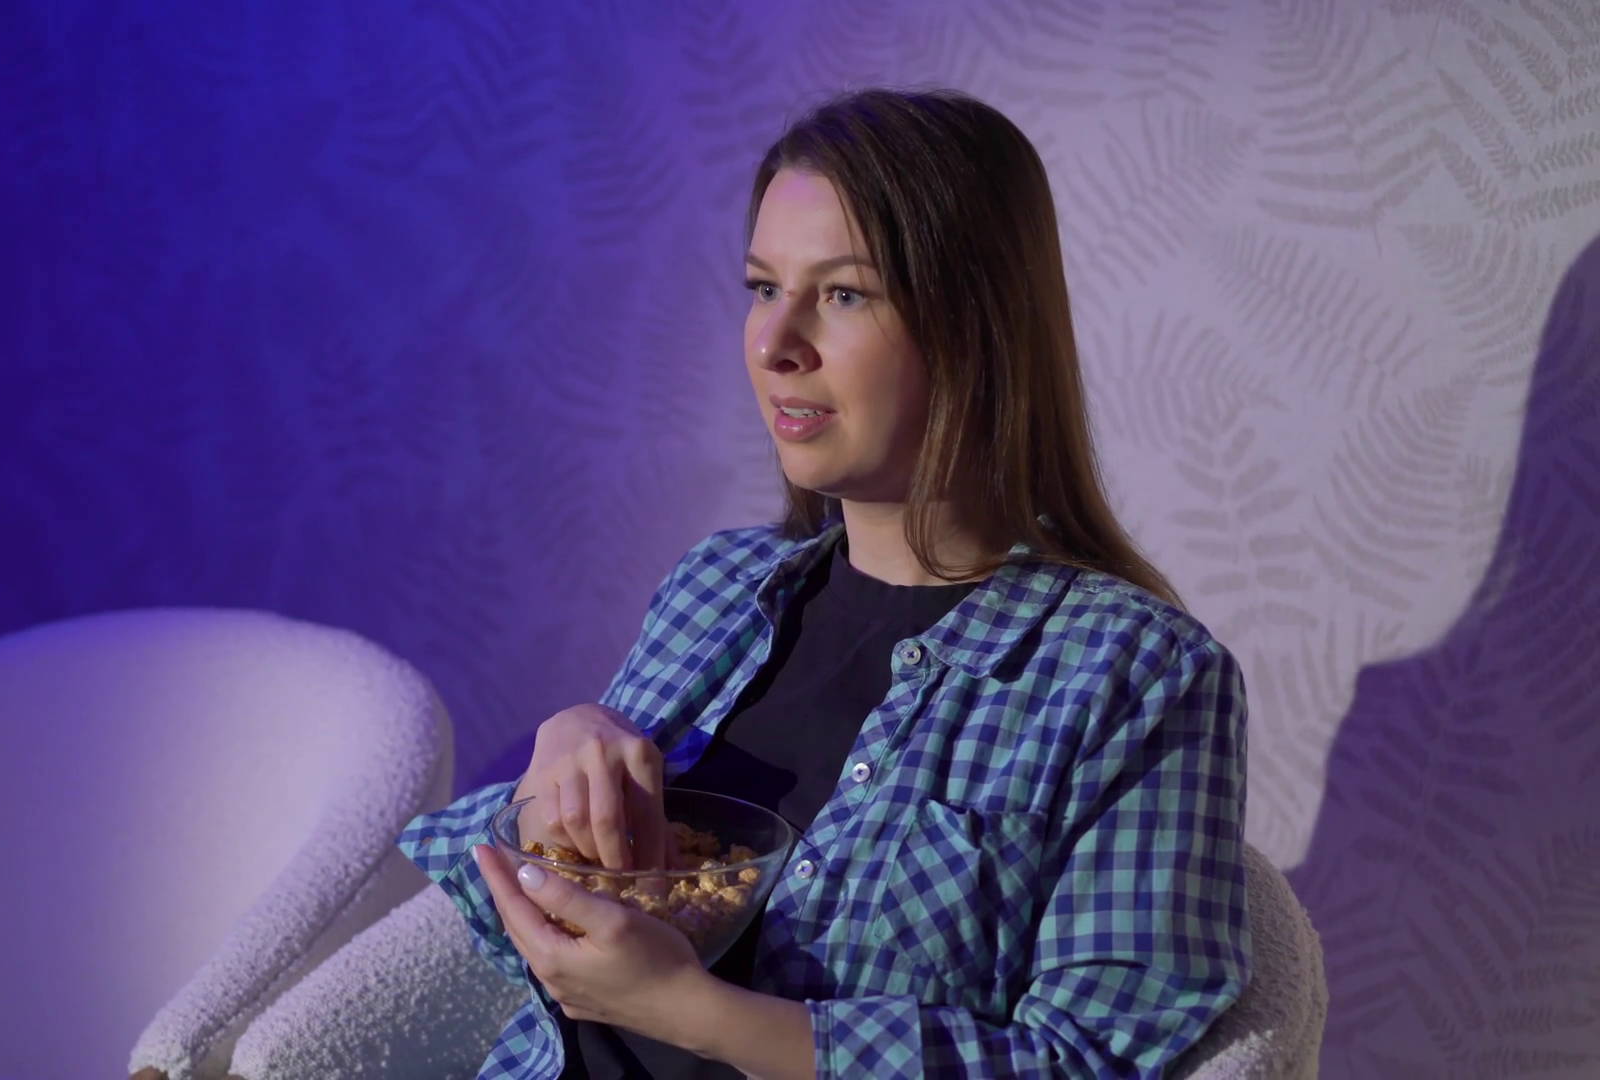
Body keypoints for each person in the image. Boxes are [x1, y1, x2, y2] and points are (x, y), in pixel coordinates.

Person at [397, 87, 1251, 1080]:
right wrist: (554, 773)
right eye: (764, 288)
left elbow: (1088, 1063)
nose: (774, 344)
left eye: (843, 295)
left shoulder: (1139, 677)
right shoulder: (717, 586)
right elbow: (501, 905)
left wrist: (696, 1014)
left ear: (980, 326)